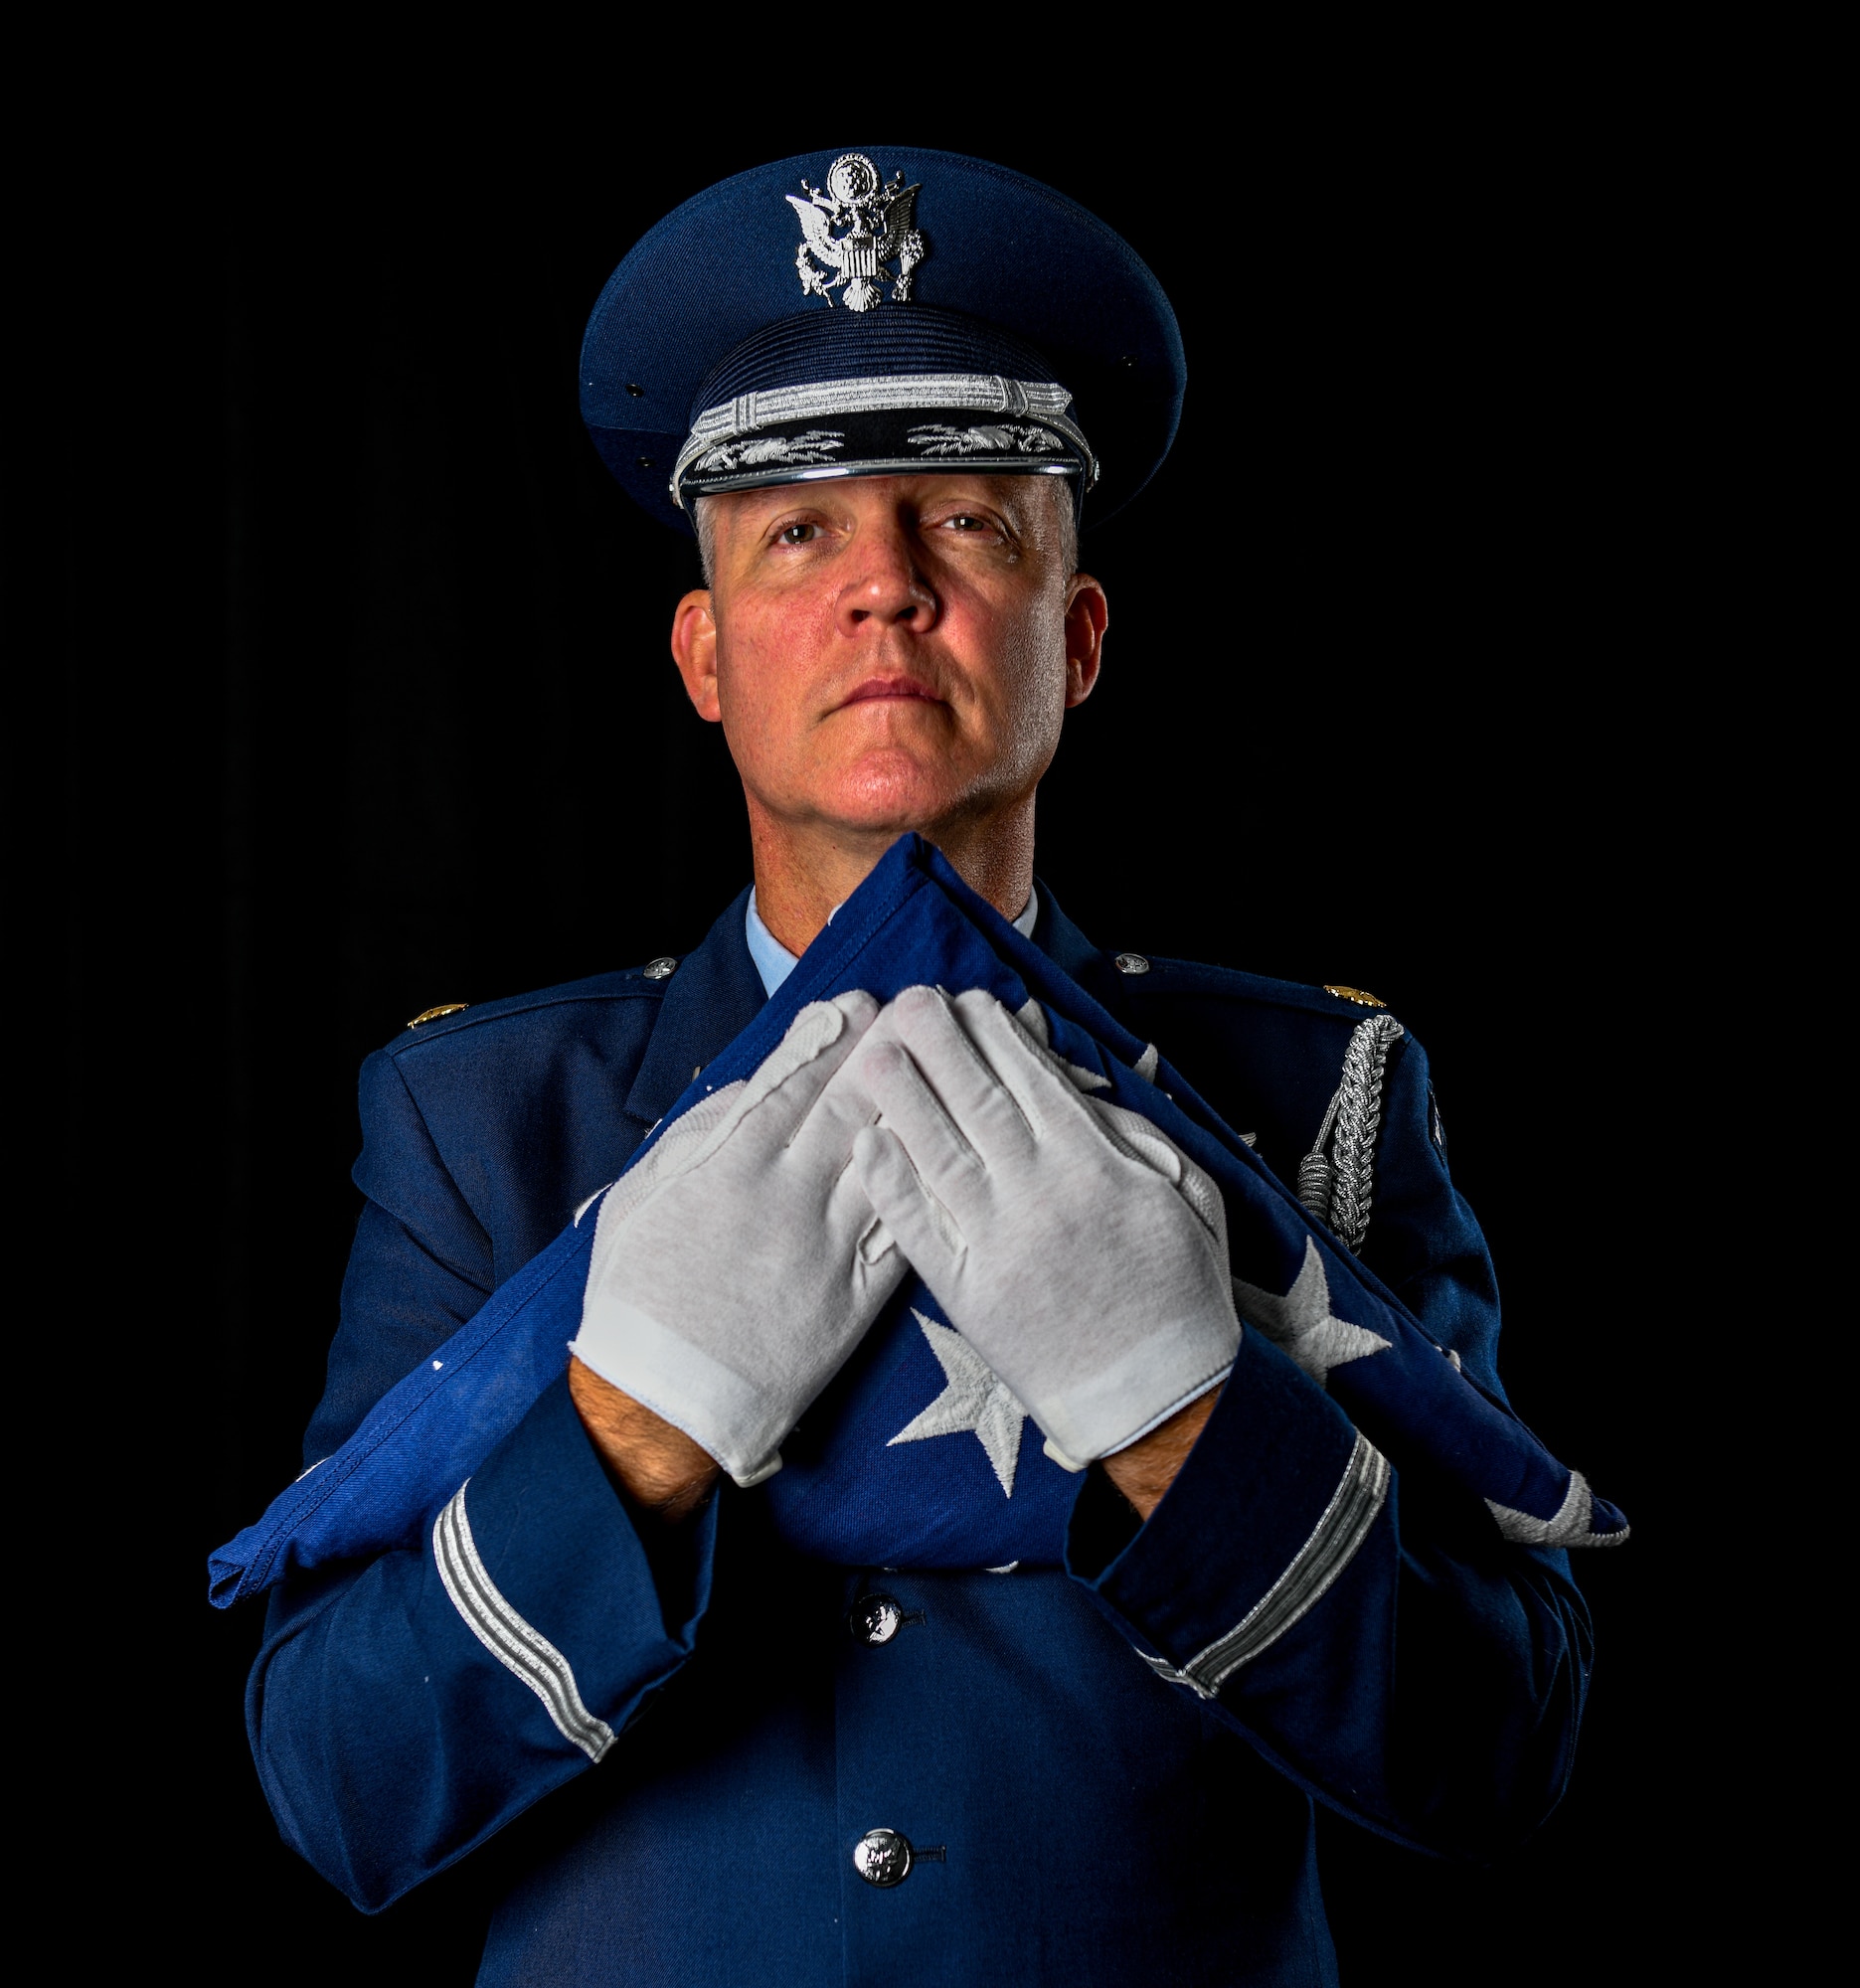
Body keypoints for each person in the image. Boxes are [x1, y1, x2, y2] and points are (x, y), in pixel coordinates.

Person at [243, 148, 1596, 1985]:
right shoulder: (489, 1126)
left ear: (1079, 635)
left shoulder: (1316, 1096)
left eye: (966, 520)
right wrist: (634, 1423)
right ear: (705, 658)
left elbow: (1496, 1756)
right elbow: (337, 1783)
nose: (884, 590)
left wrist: (1180, 1400)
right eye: (799, 533)